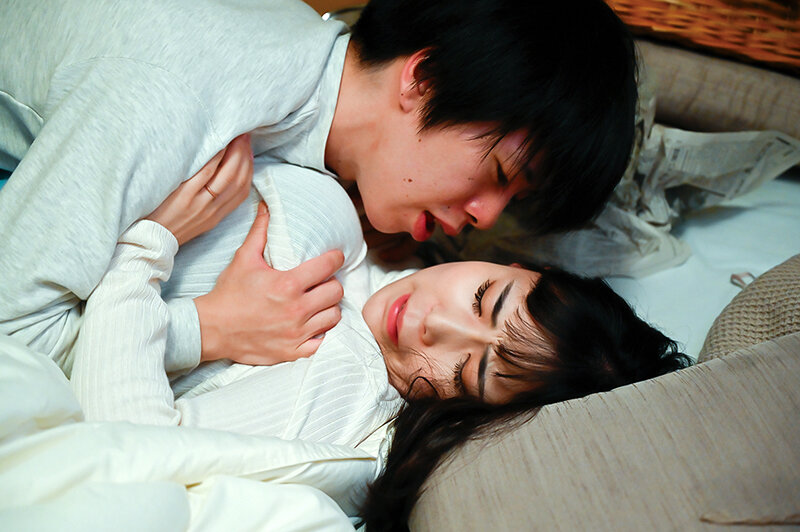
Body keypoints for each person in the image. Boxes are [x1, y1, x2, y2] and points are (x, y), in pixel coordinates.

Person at [0, 0, 638, 372]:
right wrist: (211, 329)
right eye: (499, 173)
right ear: (424, 79)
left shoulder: (299, 65)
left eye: (512, 201)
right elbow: (14, 339)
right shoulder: (173, 98)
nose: (485, 217)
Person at [71, 159, 690, 459]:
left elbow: (129, 447)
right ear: (523, 267)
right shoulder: (372, 240)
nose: (433, 323)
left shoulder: (346, 392)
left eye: (468, 371)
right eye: (483, 298)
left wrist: (144, 253)